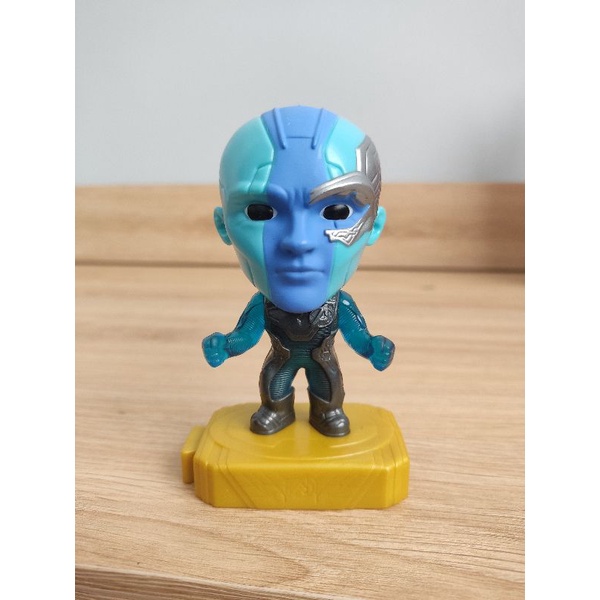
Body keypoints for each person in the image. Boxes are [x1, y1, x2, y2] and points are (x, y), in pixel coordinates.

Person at [203, 106, 394, 437]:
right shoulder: (264, 308)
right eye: (260, 212)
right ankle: (276, 409)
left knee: (329, 384)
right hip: (282, 358)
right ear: (223, 226)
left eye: (337, 211)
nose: (299, 241)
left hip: (322, 360)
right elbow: (246, 334)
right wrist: (227, 344)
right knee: (273, 383)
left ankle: (328, 410)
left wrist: (372, 346)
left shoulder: (339, 306)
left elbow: (357, 334)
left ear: (373, 226)